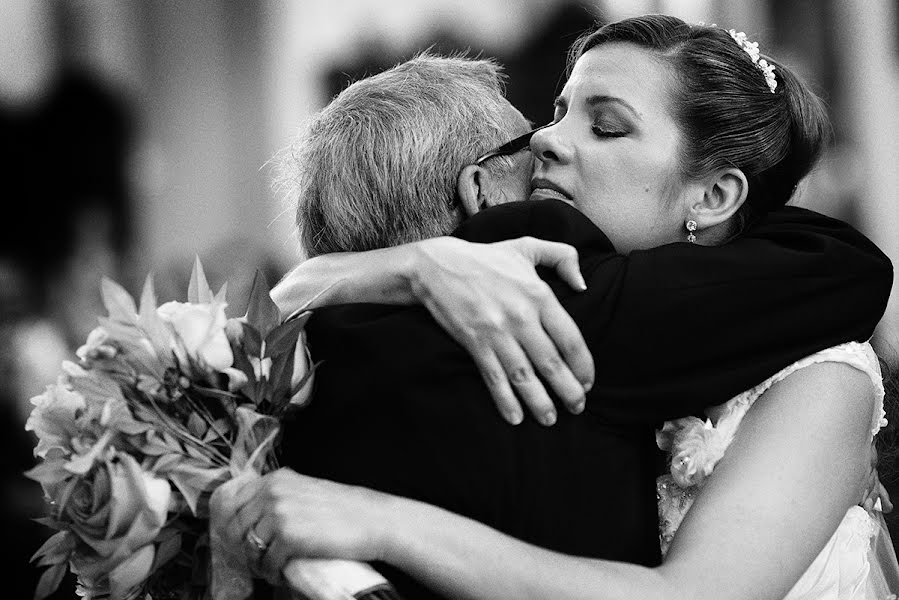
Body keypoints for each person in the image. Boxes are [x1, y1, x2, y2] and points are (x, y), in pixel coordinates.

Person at [218, 16, 895, 600]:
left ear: (712, 197)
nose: (545, 140)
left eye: (604, 127)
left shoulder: (819, 374)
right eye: (556, 113)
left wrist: (382, 520)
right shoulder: (532, 292)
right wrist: (413, 264)